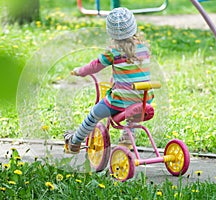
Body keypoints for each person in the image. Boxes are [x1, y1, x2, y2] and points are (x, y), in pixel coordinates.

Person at [64, 7, 154, 154]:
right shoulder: (144, 49)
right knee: (134, 108)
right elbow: (133, 72)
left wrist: (80, 71)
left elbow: (94, 67)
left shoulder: (113, 52)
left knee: (94, 115)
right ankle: (127, 138)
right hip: (144, 101)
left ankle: (75, 142)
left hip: (119, 102)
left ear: (111, 32)